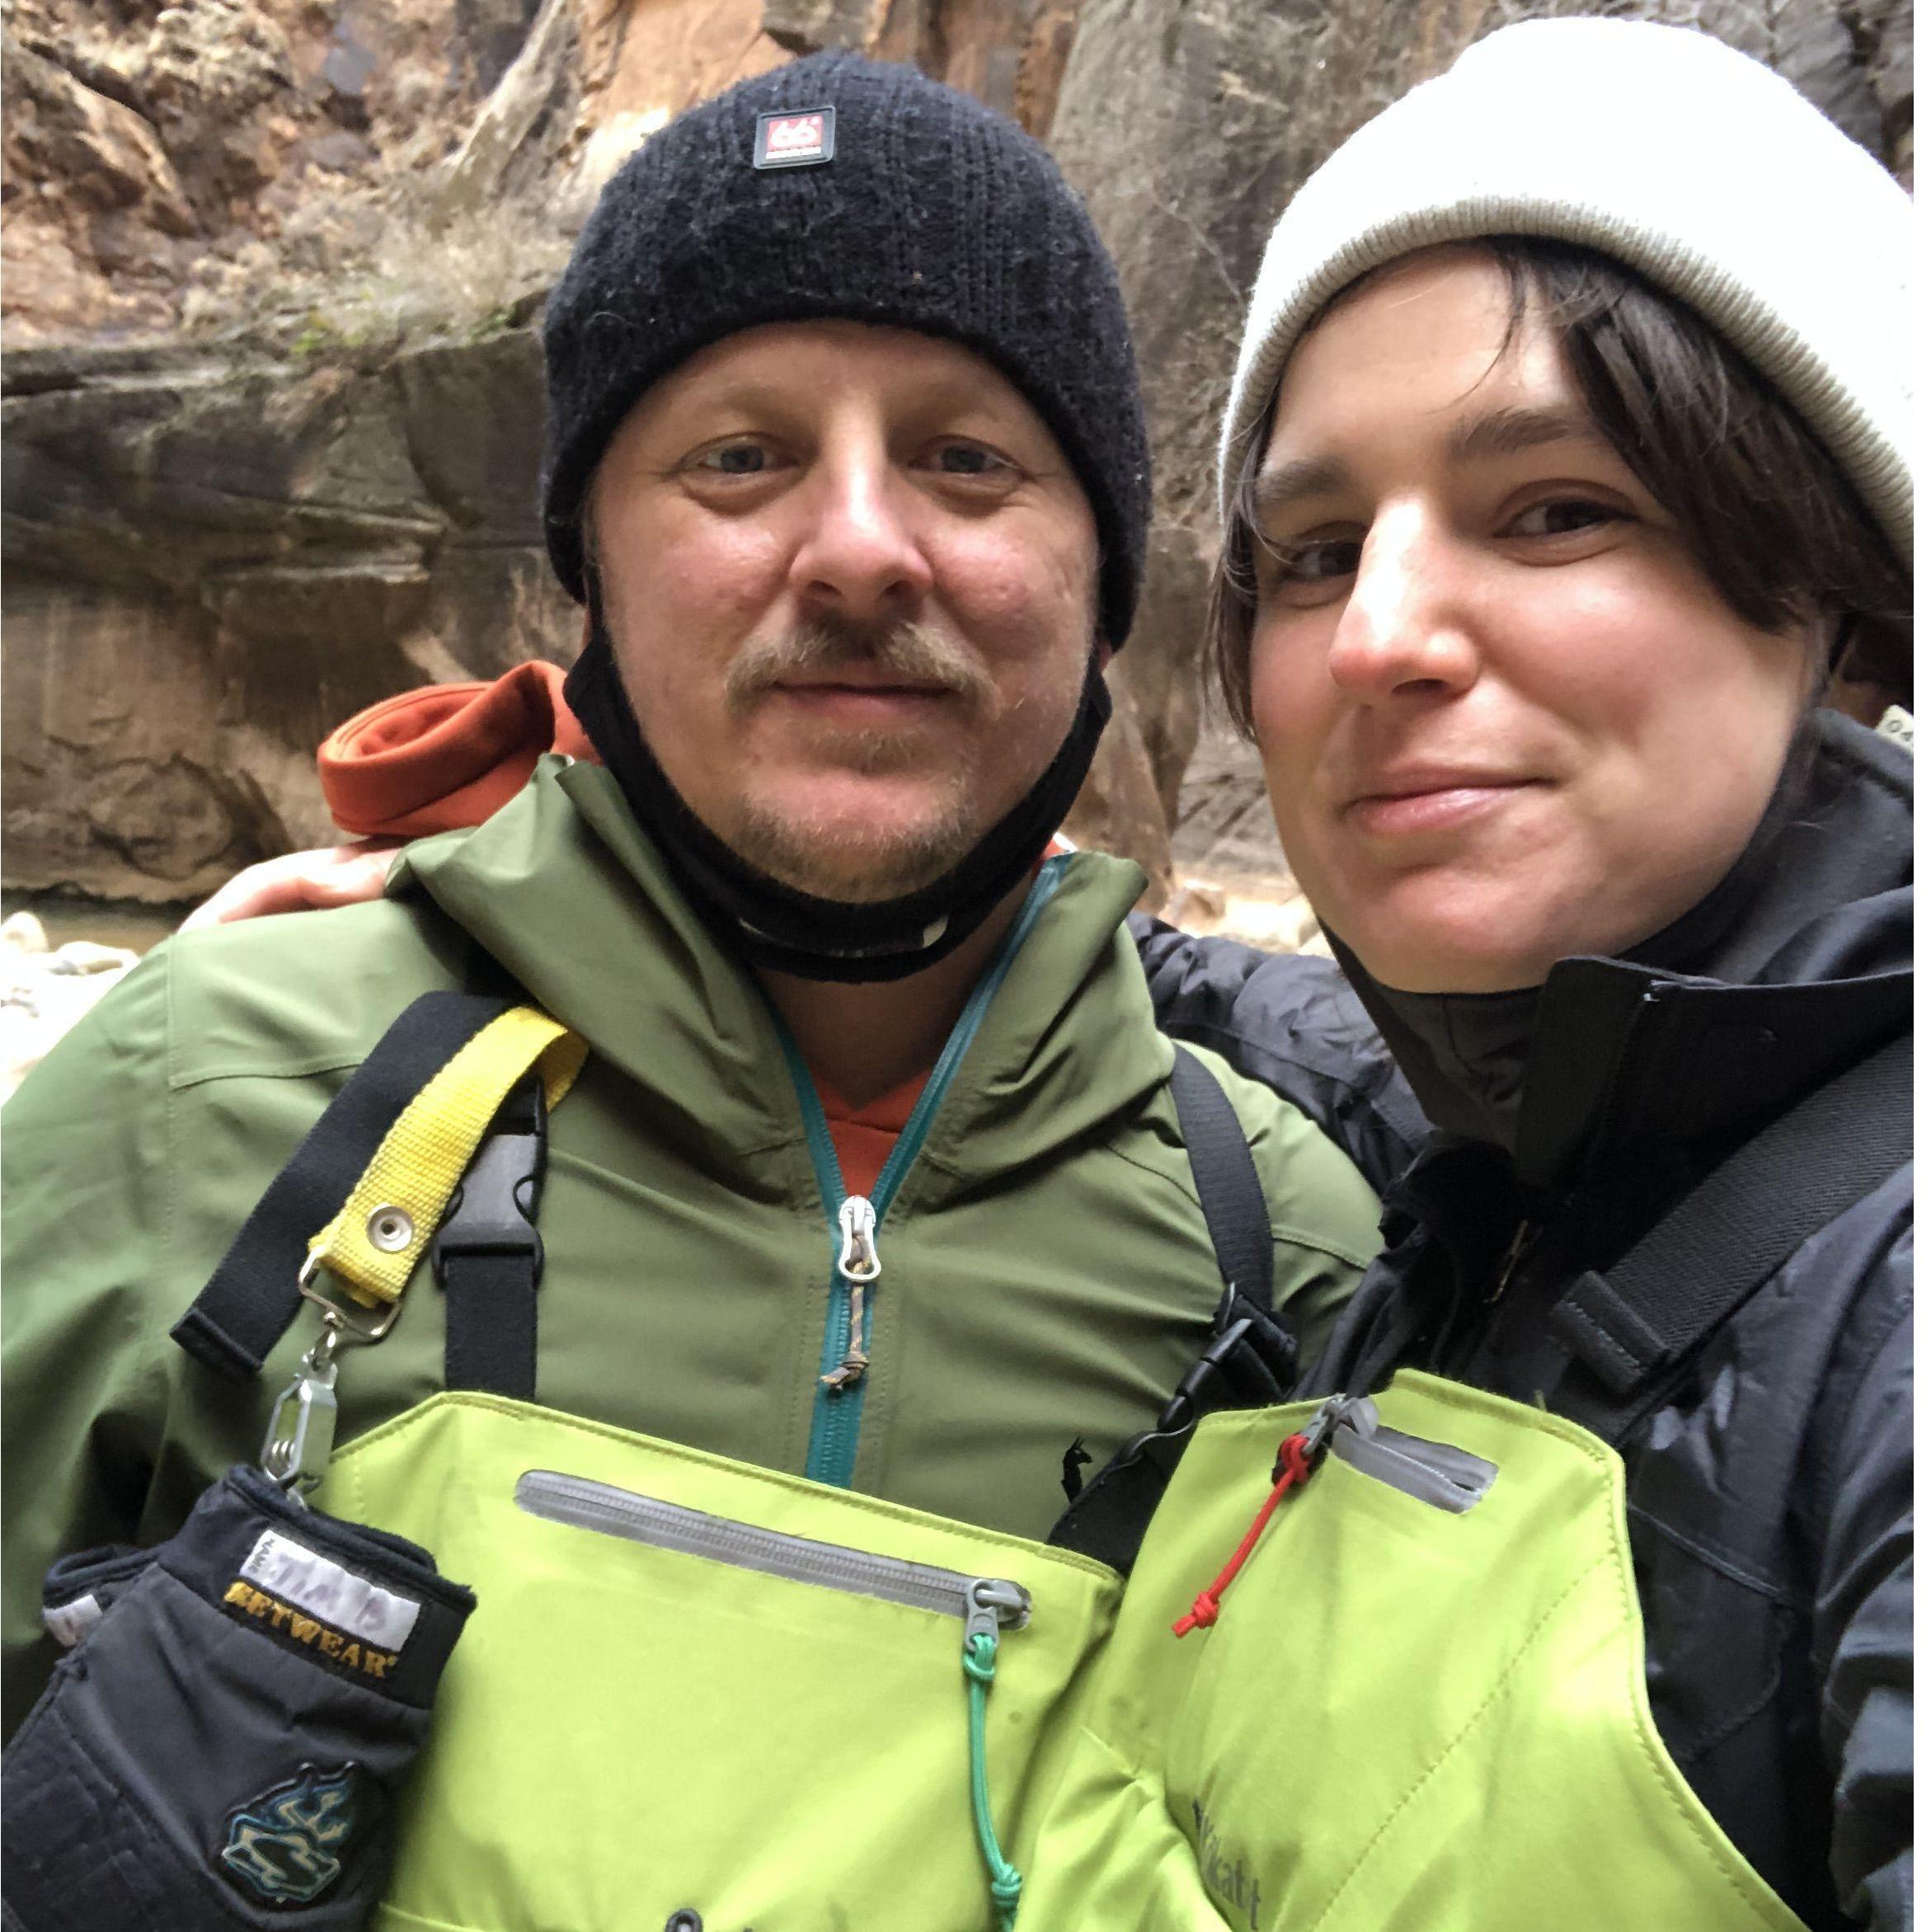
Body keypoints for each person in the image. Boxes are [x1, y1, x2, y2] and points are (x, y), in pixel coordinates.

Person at [0, 52, 1379, 1932]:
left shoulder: (1290, 1249)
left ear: (1103, 578)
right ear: (592, 567)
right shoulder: (210, 1090)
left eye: (970, 458)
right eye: (739, 455)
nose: (863, 546)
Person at [1021, 19, 1907, 1932]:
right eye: (1316, 549)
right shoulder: (1510, 1167)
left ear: (1839, 610)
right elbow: (1312, 1032)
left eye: (1556, 508)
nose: (1378, 636)